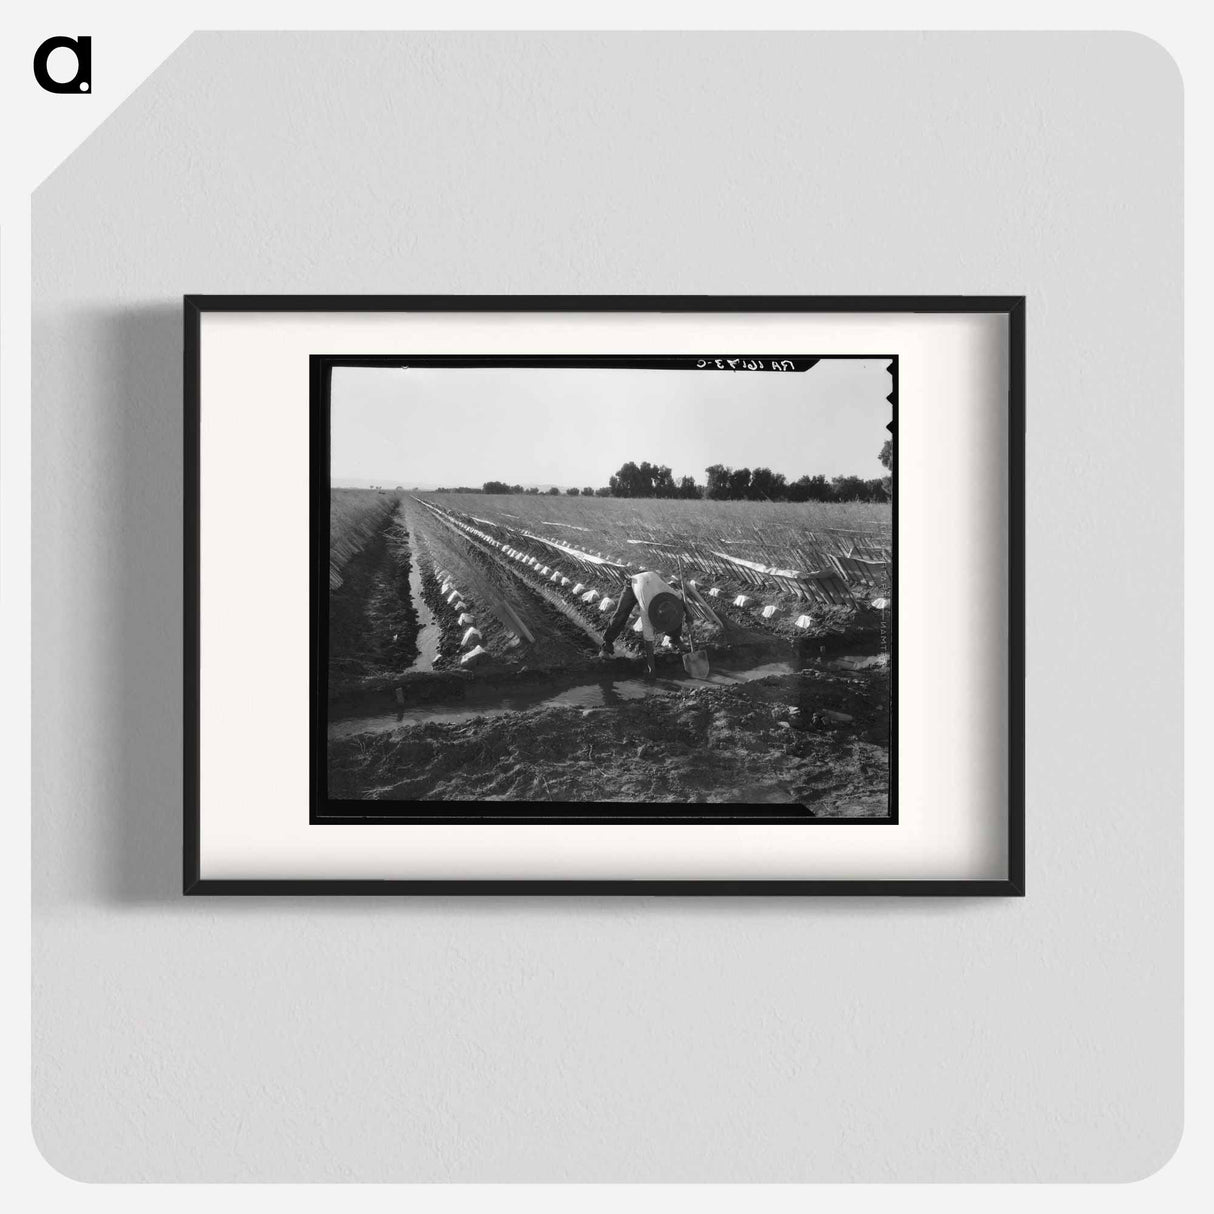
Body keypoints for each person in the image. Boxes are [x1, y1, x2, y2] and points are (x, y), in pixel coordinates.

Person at [600, 570, 686, 674]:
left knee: (674, 612)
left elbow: (680, 599)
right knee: (621, 614)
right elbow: (648, 640)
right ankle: (606, 646)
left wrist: (689, 615)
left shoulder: (669, 594)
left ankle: (675, 638)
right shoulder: (646, 610)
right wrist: (651, 667)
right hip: (633, 583)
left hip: (651, 578)